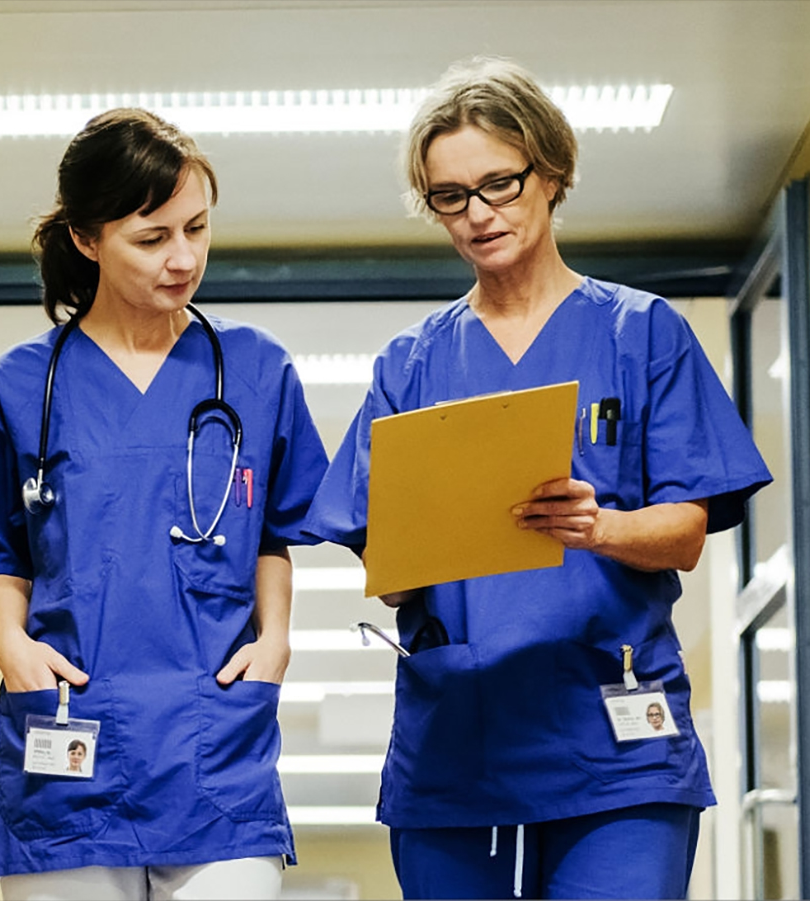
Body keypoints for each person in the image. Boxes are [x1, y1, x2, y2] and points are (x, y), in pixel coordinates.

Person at [303, 57, 772, 901]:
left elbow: (686, 531)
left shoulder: (641, 334)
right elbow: (382, 562)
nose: (478, 214)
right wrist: (416, 546)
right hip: (459, 742)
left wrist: (599, 526)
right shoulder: (411, 365)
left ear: (551, 172)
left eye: (499, 184)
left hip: (614, 742)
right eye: (451, 196)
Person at [0, 108, 329, 901]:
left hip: (214, 743)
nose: (183, 257)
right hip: (70, 740)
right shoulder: (21, 386)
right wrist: (10, 643)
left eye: (197, 229)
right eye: (152, 238)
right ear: (87, 239)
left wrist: (277, 638)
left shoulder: (257, 371)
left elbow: (272, 534)